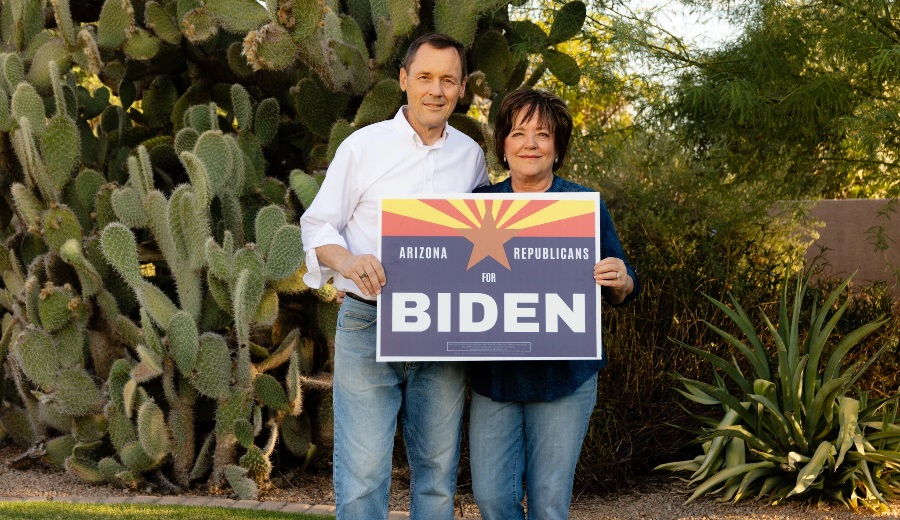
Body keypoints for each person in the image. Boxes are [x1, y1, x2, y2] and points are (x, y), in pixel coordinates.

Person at [299, 33, 489, 520]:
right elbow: (319, 225)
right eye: (425, 77)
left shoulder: (471, 157)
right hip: (369, 322)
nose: (436, 90)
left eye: (448, 79)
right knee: (362, 476)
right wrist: (347, 263)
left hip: (442, 330)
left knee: (438, 474)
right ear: (404, 80)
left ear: (462, 88)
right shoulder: (363, 148)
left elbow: (484, 242)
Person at [468, 88, 640, 520]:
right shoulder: (476, 206)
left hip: (564, 377)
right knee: (491, 499)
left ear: (557, 147)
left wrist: (619, 279)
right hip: (495, 378)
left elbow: (626, 284)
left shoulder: (582, 205)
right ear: (503, 145)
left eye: (542, 134)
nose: (530, 143)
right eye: (519, 132)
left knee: (548, 504)